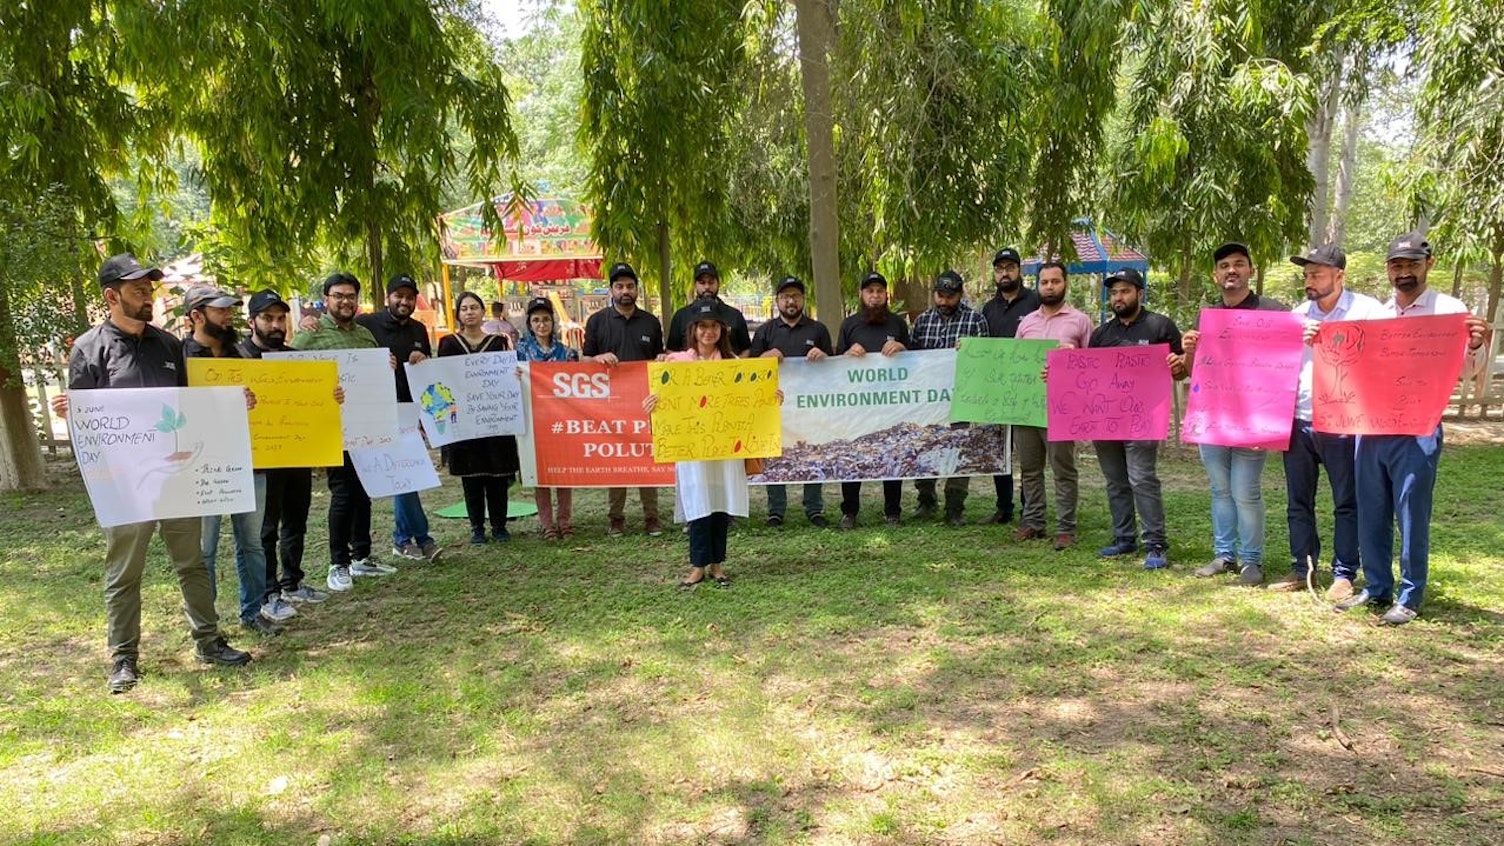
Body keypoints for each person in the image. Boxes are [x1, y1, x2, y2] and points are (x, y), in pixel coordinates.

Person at [52, 254, 251, 693]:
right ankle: (124, 658)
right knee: (124, 571)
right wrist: (71, 411)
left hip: (176, 478)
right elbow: (87, 423)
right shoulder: (88, 348)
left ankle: (209, 640)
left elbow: (192, 405)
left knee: (193, 563)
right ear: (112, 295)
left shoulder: (168, 345)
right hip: (124, 485)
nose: (148, 298)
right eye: (139, 290)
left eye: (150, 290)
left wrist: (235, 403)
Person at [1334, 232, 1493, 624]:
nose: (1404, 272)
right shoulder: (1373, 314)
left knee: (1411, 513)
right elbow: (1348, 363)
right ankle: (1375, 587)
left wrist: (1475, 345)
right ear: (1388, 268)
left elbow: (1467, 372)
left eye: (1412, 264)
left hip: (1418, 429)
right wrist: (1318, 343)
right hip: (1370, 427)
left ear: (1429, 264)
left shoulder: (1450, 311)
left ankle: (1409, 594)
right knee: (1371, 510)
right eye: (1397, 265)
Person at [1269, 244, 1385, 596]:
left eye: (1317, 273)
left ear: (1339, 275)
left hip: (1343, 421)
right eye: (1306, 274)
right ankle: (1301, 568)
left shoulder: (1368, 311)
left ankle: (1344, 573)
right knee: (1297, 500)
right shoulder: (1298, 313)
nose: (1310, 280)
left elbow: (1382, 356)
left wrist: (1333, 341)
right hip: (1299, 419)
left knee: (1346, 500)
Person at [181, 285, 285, 637]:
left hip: (248, 462)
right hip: (202, 468)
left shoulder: (242, 356)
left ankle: (254, 610)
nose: (229, 316)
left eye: (230, 310)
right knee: (203, 550)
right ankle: (205, 624)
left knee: (252, 542)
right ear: (197, 315)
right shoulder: (180, 359)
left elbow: (272, 403)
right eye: (220, 311)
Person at [1182, 242, 1289, 587]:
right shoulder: (1208, 318)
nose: (1232, 270)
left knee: (1246, 490)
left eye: (1239, 264)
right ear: (1215, 276)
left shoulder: (1273, 312)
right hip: (1213, 420)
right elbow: (1193, 371)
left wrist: (1270, 425)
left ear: (1250, 272)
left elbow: (1284, 370)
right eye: (1225, 265)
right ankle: (1224, 555)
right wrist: (1188, 350)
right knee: (1219, 489)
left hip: (1253, 423)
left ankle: (1252, 561)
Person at [289, 272, 398, 592]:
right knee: (342, 494)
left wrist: (386, 363)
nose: (345, 301)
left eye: (351, 296)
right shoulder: (310, 333)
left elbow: (375, 374)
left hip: (365, 424)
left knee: (364, 489)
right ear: (326, 299)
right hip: (331, 426)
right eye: (338, 296)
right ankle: (338, 563)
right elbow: (289, 372)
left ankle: (361, 556)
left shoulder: (365, 335)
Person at [643, 303, 760, 588]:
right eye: (703, 326)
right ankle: (697, 566)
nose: (709, 332)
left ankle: (717, 565)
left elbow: (749, 402)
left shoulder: (733, 364)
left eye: (714, 326)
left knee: (720, 503)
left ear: (722, 331)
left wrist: (769, 396)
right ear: (693, 331)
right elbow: (665, 399)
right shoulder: (676, 363)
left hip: (724, 446)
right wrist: (652, 405)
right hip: (691, 446)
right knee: (698, 503)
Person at [238, 290, 332, 611]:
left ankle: (292, 581)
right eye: (267, 318)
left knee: (296, 519)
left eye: (281, 318)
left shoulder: (295, 360)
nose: (276, 325)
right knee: (266, 528)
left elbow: (315, 403)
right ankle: (268, 593)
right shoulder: (238, 359)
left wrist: (332, 397)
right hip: (260, 459)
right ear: (252, 321)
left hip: (296, 452)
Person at [1090, 268, 1186, 570]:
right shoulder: (1101, 334)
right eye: (1115, 292)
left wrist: (1177, 363)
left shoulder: (1160, 326)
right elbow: (1087, 375)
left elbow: (1183, 369)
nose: (1119, 297)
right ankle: (1124, 538)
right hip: (1105, 419)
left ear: (1140, 294)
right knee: (1115, 481)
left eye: (1125, 291)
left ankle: (1155, 544)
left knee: (1142, 479)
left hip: (1143, 419)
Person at [357, 274, 441, 563]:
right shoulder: (366, 324)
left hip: (409, 411)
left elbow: (425, 372)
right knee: (403, 476)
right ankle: (420, 539)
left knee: (406, 476)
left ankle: (405, 539)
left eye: (409, 297)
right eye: (398, 296)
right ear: (387, 297)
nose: (404, 301)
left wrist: (422, 358)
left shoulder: (419, 328)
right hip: (377, 411)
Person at [582, 262, 666, 537]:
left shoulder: (650, 322)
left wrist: (662, 360)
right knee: (616, 461)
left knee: (646, 458)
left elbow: (658, 359)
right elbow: (584, 360)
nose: (625, 291)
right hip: (611, 405)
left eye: (630, 286)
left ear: (637, 290)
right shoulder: (597, 321)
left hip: (644, 402)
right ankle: (616, 518)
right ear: (611, 290)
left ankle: (651, 517)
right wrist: (597, 358)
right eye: (619, 286)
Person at [1014, 261, 1092, 550]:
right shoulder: (1027, 322)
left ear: (1065, 283)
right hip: (1026, 406)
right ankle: (1033, 521)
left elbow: (1093, 365)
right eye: (1044, 282)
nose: (1049, 287)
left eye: (1055, 281)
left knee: (1063, 468)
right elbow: (1013, 362)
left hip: (1063, 408)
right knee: (1030, 468)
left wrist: (1072, 358)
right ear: (1037, 285)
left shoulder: (1080, 321)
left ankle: (1065, 528)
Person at [438, 291, 522, 545]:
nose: (470, 312)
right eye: (464, 308)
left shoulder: (498, 342)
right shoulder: (448, 344)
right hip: (463, 419)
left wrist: (516, 375)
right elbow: (441, 377)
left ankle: (499, 525)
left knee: (497, 475)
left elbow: (507, 374)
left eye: (474, 307)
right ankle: (477, 528)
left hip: (494, 416)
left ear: (482, 311)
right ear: (458, 314)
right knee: (471, 476)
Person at [749, 275, 833, 528]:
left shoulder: (818, 330)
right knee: (776, 455)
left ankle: (814, 508)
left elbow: (836, 367)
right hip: (775, 406)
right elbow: (751, 370)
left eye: (795, 296)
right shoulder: (765, 331)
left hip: (810, 406)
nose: (791, 301)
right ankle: (776, 510)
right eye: (785, 297)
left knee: (812, 452)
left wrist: (824, 355)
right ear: (777, 301)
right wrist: (765, 357)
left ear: (803, 299)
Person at [910, 269, 989, 526]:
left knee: (958, 450)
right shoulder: (922, 321)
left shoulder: (975, 321)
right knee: (926, 449)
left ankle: (955, 507)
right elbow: (912, 361)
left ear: (960, 294)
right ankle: (926, 500)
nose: (944, 301)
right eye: (940, 295)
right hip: (929, 402)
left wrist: (970, 352)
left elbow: (984, 359)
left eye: (950, 296)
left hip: (960, 400)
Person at [836, 271, 910, 528]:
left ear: (886, 295)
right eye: (870, 291)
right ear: (861, 295)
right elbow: (835, 368)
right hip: (857, 406)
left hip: (890, 404)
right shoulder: (849, 325)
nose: (875, 296)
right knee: (853, 457)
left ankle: (893, 511)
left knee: (892, 456)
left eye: (880, 291)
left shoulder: (898, 325)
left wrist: (902, 348)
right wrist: (847, 353)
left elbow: (916, 362)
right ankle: (850, 511)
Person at [979, 247, 1040, 525]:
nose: (1004, 273)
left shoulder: (1036, 303)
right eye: (999, 268)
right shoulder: (988, 309)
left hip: (1029, 389)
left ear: (1019, 271)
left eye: (1010, 267)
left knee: (1029, 453)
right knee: (1000, 450)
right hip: (997, 390)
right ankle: (1004, 506)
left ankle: (1031, 505)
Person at [516, 296, 579, 540]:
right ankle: (547, 524)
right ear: (529, 324)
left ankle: (565, 521)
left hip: (561, 419)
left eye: (545, 319)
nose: (541, 324)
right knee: (539, 472)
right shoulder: (520, 351)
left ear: (553, 322)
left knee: (564, 472)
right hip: (533, 420)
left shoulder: (567, 352)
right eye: (536, 320)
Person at [665, 260, 752, 355]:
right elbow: (671, 350)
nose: (707, 287)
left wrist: (735, 366)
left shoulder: (735, 315)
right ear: (695, 285)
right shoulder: (681, 316)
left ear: (718, 283)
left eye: (711, 282)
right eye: (702, 283)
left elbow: (747, 349)